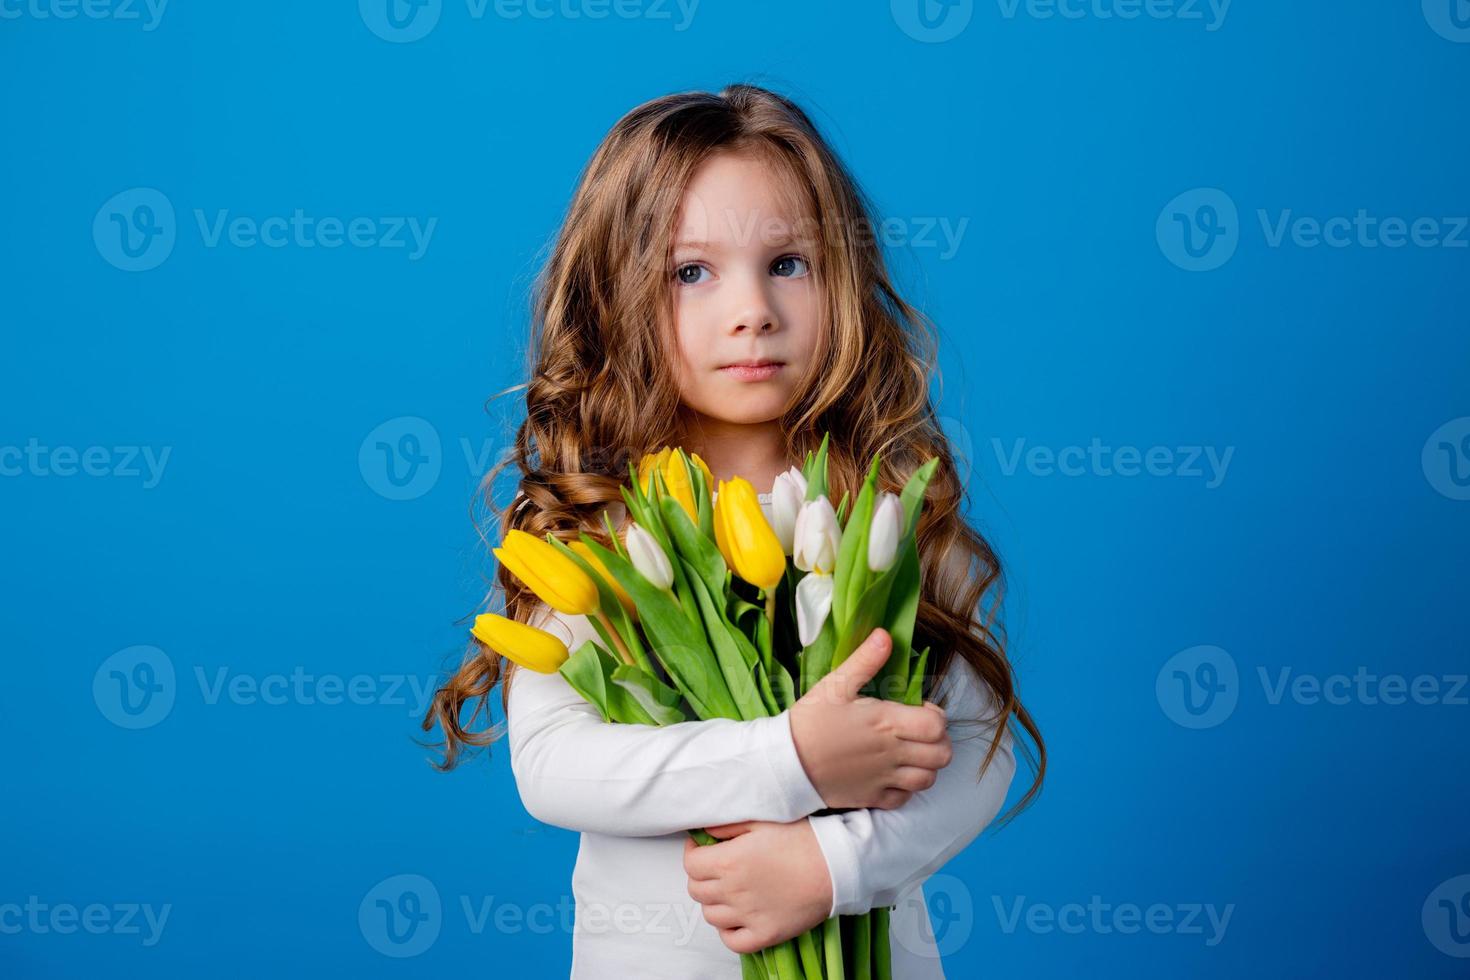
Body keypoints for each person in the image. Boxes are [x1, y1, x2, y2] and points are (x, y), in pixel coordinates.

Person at [424, 83, 1045, 979]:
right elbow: (555, 767)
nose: (752, 308)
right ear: (615, 294)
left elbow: (977, 752)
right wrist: (791, 760)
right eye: (692, 273)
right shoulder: (599, 530)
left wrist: (832, 869)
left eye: (788, 263)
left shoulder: (888, 512)